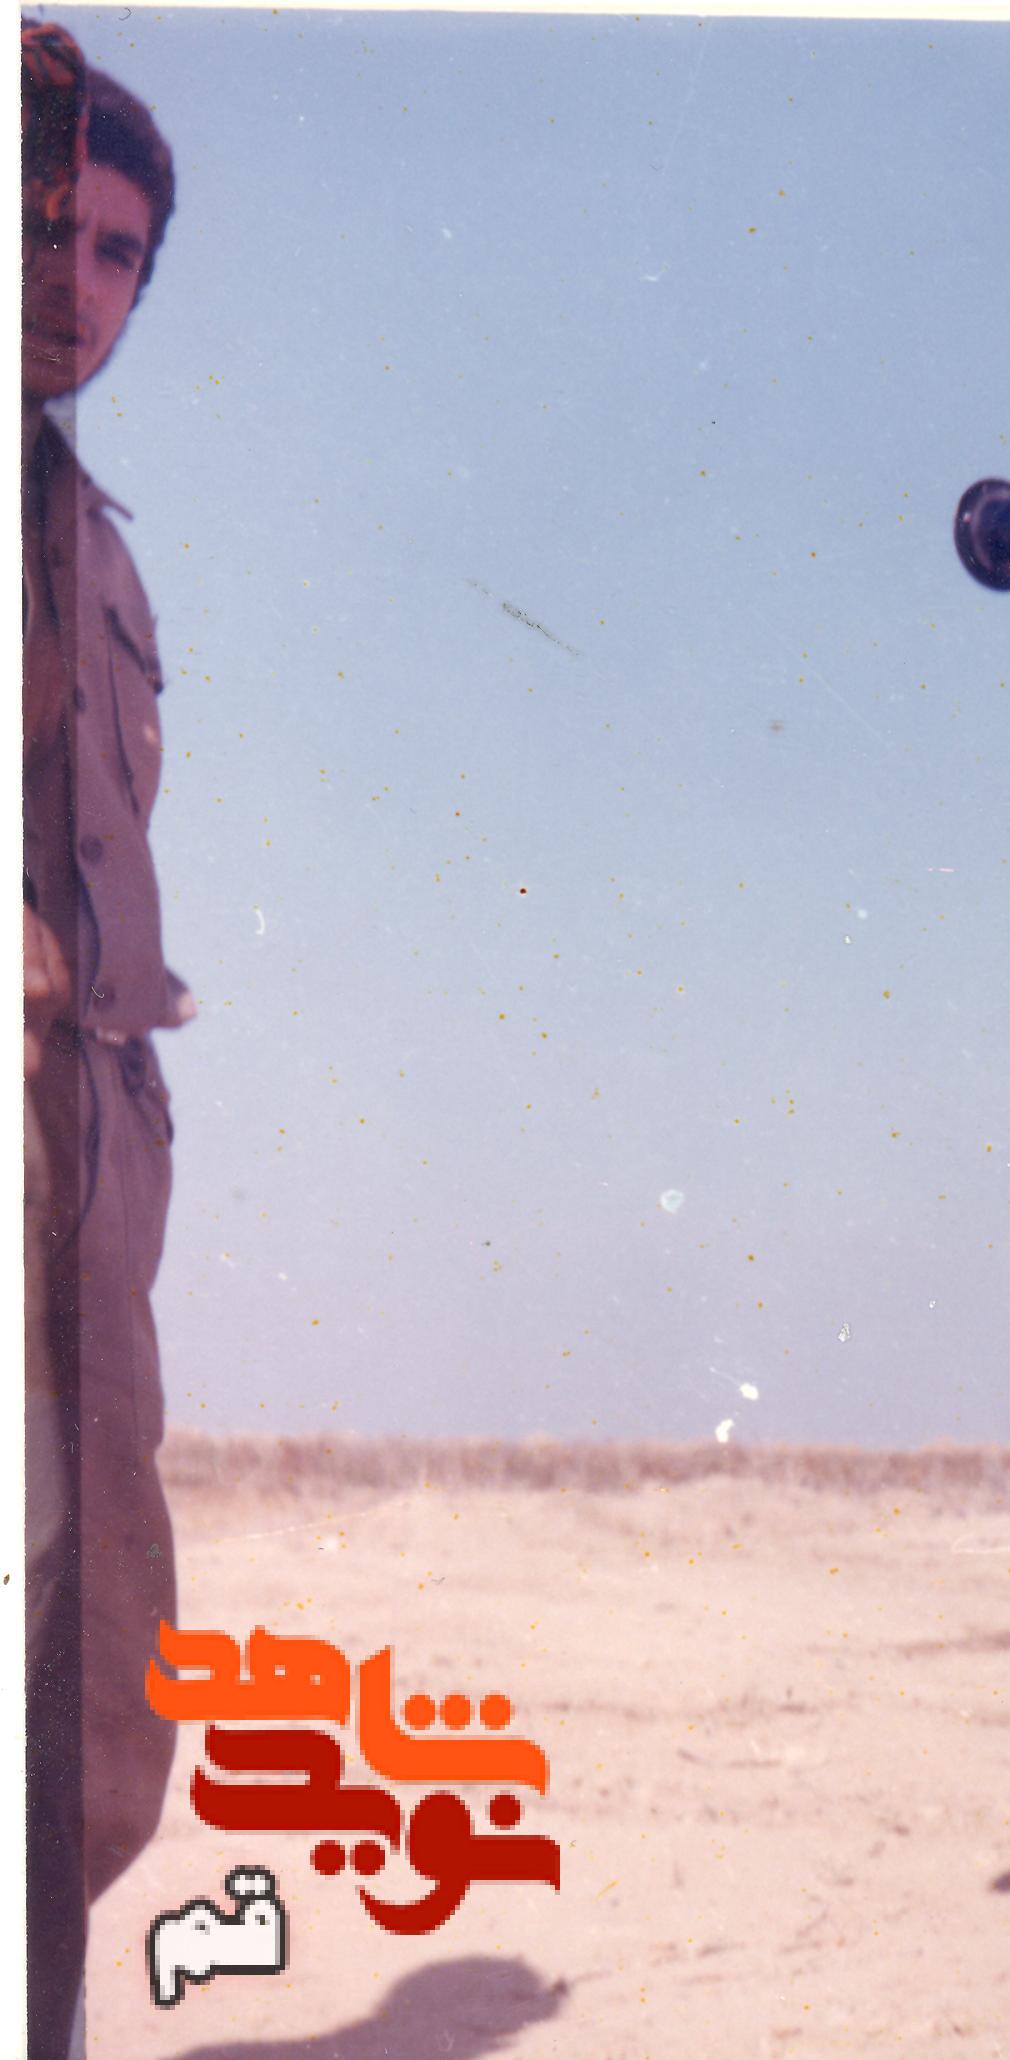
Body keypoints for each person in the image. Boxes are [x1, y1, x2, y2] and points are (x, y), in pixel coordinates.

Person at [23, 33, 190, 2053]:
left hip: (82, 1159)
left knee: (82, 1683)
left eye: (120, 255)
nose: (78, 282)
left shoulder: (92, 535)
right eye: (49, 225)